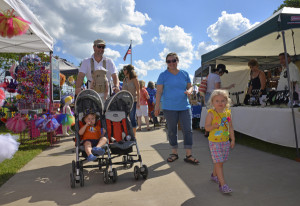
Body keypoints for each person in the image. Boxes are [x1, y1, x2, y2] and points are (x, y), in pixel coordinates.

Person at [155, 52, 199, 164]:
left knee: (188, 130)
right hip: (169, 107)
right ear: (166, 63)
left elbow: (190, 88)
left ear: (177, 61)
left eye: (174, 60)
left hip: (184, 106)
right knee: (171, 130)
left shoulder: (184, 73)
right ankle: (174, 153)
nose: (171, 63)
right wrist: (157, 107)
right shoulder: (163, 75)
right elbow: (159, 92)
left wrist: (189, 91)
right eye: (169, 61)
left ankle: (189, 155)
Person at [204, 89, 235, 194]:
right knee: (219, 162)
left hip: (225, 141)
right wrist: (213, 126)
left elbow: (230, 127)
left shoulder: (228, 114)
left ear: (226, 101)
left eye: (222, 100)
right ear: (212, 102)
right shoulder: (211, 114)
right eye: (217, 101)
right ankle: (223, 185)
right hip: (214, 142)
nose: (220, 103)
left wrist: (232, 139)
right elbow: (207, 128)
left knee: (220, 161)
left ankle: (214, 175)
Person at [122, 64, 140, 137]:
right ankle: (128, 134)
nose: (123, 71)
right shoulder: (124, 79)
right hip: (125, 101)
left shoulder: (135, 79)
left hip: (133, 101)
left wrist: (138, 102)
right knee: (125, 117)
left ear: (128, 70)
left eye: (124, 69)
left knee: (132, 117)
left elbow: (138, 91)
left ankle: (134, 135)